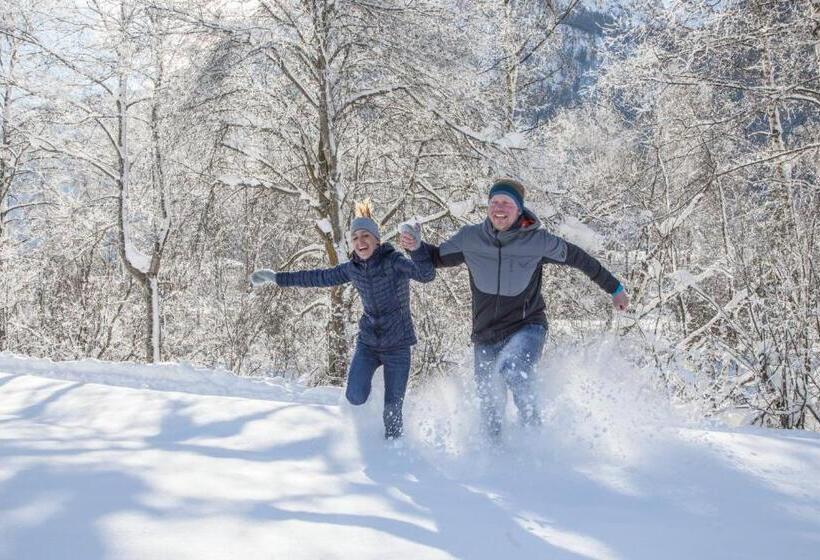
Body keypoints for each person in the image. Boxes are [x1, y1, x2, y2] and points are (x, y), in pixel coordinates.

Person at [400, 178, 629, 439]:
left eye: (506, 203)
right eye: (494, 202)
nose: (499, 208)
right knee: (489, 404)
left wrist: (615, 288)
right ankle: (495, 454)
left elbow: (580, 258)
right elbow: (434, 258)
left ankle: (534, 439)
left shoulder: (538, 241)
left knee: (514, 369)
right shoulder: (470, 238)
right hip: (484, 335)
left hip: (527, 327)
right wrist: (416, 246)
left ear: (519, 209)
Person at [251, 201, 433, 440]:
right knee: (354, 396)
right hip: (368, 343)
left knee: (392, 411)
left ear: (377, 240)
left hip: (398, 345)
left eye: (365, 236)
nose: (360, 241)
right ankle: (374, 394)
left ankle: (393, 452)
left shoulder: (394, 261)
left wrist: (417, 248)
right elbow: (317, 277)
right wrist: (276, 278)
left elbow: (426, 275)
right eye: (355, 237)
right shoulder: (352, 268)